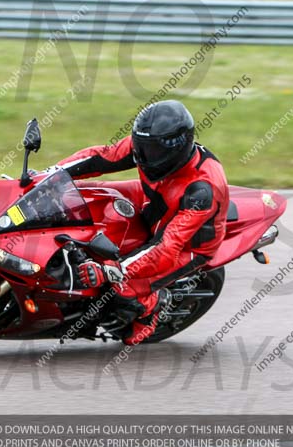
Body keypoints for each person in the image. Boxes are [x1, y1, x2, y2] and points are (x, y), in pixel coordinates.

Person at [56, 100, 229, 345]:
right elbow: (101, 158)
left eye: (153, 151)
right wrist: (50, 175)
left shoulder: (200, 190)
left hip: (189, 245)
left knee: (120, 286)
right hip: (156, 200)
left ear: (176, 148)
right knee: (85, 194)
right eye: (141, 147)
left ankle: (152, 308)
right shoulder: (146, 147)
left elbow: (166, 248)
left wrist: (110, 270)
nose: (144, 156)